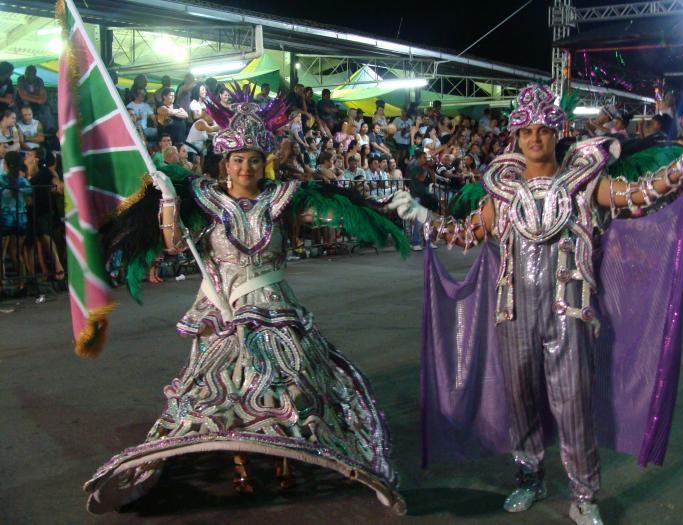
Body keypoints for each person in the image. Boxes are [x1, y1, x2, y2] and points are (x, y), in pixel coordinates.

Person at [86, 89, 407, 515]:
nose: (246, 167)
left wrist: (368, 208)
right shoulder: (205, 200)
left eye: (254, 159)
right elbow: (176, 244)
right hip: (224, 309)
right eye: (238, 159)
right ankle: (239, 463)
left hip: (276, 305)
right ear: (225, 163)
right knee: (226, 390)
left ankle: (284, 457)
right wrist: (167, 202)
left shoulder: (282, 199)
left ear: (265, 162)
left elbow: (325, 213)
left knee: (288, 383)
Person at [390, 83, 683, 525]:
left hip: (568, 310)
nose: (535, 138)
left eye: (543, 130)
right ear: (516, 137)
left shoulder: (585, 182)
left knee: (573, 403)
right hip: (512, 312)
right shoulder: (502, 192)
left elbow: (638, 195)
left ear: (558, 133)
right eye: (527, 131)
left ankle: (585, 494)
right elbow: (466, 233)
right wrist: (421, 216)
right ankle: (529, 478)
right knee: (521, 401)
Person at [23, 147, 65, 281]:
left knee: (45, 236)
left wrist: (57, 185)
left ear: (36, 159)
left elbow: (56, 184)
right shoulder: (22, 174)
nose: (26, 156)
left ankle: (59, 266)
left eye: (29, 154)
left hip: (44, 209)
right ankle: (33, 275)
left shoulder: (44, 173)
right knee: (29, 243)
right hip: (28, 212)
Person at [0, 150, 31, 292]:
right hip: (21, 218)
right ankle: (22, 284)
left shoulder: (2, 179)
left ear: (6, 164)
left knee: (2, 253)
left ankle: (2, 285)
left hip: (6, 219)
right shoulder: (22, 181)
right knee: (17, 253)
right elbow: (29, 196)